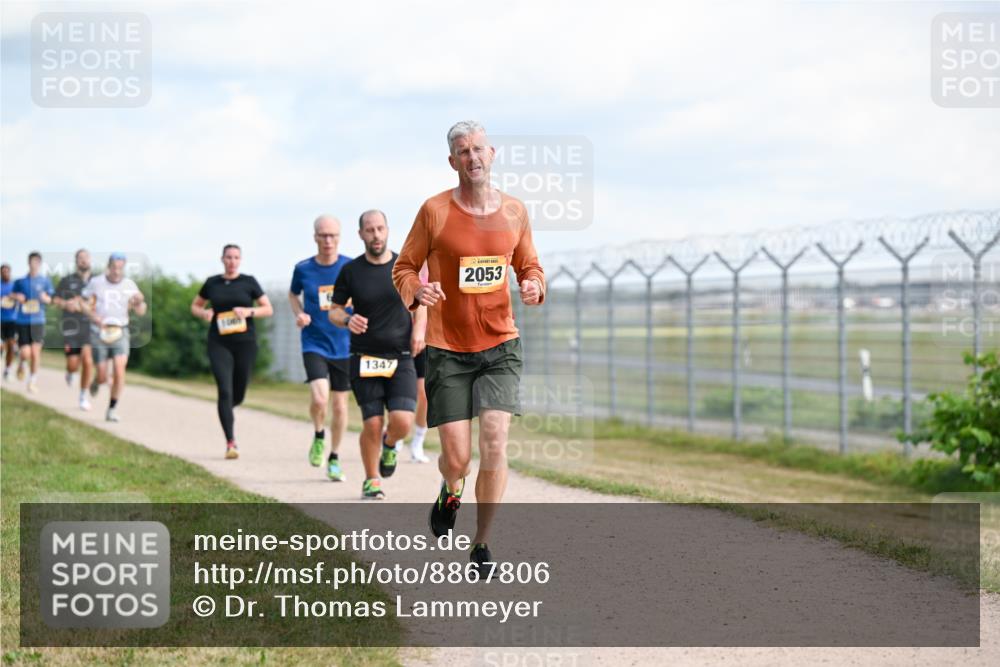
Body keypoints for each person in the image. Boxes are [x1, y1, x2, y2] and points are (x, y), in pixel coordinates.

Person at [392, 121, 546, 576]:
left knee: (495, 440)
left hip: (500, 343)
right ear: (452, 161)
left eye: (479, 149)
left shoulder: (515, 211)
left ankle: (481, 543)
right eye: (463, 151)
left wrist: (534, 283)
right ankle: (450, 488)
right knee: (457, 458)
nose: (473, 157)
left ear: (492, 153)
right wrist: (414, 294)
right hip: (447, 348)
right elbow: (404, 267)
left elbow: (529, 263)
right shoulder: (434, 211)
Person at [329, 210, 423, 500]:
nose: (376, 235)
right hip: (363, 356)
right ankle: (372, 480)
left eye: (380, 228)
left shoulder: (404, 267)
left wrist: (419, 330)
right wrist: (347, 319)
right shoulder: (351, 271)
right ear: (360, 234)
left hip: (402, 356)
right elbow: (334, 310)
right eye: (369, 230)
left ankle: (391, 444)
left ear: (388, 230)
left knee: (403, 421)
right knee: (371, 422)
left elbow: (421, 304)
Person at [191, 244, 273, 459]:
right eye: (228, 257)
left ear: (240, 260)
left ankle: (226, 409)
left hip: (245, 343)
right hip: (219, 343)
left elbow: (268, 308)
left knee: (239, 392)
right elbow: (195, 306)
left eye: (236, 257)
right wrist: (204, 313)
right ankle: (231, 442)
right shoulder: (212, 283)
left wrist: (249, 311)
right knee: (224, 391)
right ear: (222, 259)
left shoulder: (249, 282)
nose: (232, 261)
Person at [289, 215, 352, 481]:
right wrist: (300, 314)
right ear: (315, 237)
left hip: (345, 345)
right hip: (314, 341)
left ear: (339, 237)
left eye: (332, 235)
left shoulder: (350, 267)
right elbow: (293, 294)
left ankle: (334, 457)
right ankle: (318, 434)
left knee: (339, 407)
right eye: (323, 235)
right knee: (319, 399)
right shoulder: (303, 269)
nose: (328, 240)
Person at [80, 252, 147, 422]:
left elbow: (141, 310)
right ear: (109, 266)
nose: (117, 271)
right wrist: (92, 316)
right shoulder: (96, 282)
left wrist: (139, 302)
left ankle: (112, 409)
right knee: (103, 375)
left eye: (120, 267)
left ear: (123, 267)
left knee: (119, 369)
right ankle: (97, 381)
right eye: (114, 267)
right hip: (99, 331)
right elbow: (82, 302)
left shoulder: (129, 284)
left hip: (120, 331)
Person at [53, 249, 95, 410]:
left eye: (86, 257)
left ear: (90, 260)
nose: (83, 261)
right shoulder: (66, 280)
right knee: (73, 364)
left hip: (89, 326)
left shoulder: (96, 280)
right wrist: (66, 304)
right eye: (80, 258)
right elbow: (55, 299)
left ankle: (83, 396)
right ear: (76, 261)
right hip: (71, 326)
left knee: (88, 360)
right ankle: (70, 372)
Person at [11, 252, 54, 393]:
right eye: (31, 261)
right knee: (25, 353)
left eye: (36, 262)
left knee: (36, 353)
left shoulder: (45, 281)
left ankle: (32, 381)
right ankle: (22, 363)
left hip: (38, 321)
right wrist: (17, 296)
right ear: (28, 263)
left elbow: (51, 299)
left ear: (39, 263)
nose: (33, 264)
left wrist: (45, 298)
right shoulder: (20, 281)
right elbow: (11, 295)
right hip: (22, 321)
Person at [407, 262, 431, 462]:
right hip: (404, 338)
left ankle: (418, 441)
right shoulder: (407, 265)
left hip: (431, 339)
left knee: (424, 394)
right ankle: (393, 436)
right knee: (401, 392)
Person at [1, 263, 19, 381]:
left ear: (10, 272)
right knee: (1, 346)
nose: (5, 273)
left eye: (7, 271)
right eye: (3, 271)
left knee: (11, 346)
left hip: (12, 320)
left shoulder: (15, 286)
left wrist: (16, 298)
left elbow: (23, 299)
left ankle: (7, 370)